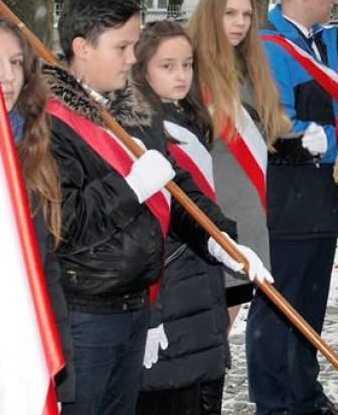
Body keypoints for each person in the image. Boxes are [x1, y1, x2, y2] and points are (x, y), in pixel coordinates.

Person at [46, 0, 263, 415]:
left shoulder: (133, 111)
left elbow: (174, 188)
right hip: (85, 313)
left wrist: (216, 236)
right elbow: (66, 221)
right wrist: (129, 188)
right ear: (82, 48)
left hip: (134, 305)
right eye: (122, 47)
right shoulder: (51, 122)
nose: (132, 58)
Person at [246, 0, 338, 415]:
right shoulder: (267, 47)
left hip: (323, 198)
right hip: (286, 201)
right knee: (276, 309)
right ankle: (274, 402)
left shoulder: (328, 41)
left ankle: (304, 392)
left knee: (310, 306)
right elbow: (278, 126)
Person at [127, 21, 241, 415]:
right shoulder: (138, 126)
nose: (181, 75)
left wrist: (221, 236)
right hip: (171, 281)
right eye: (168, 66)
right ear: (141, 69)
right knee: (174, 391)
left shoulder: (191, 117)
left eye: (187, 65)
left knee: (203, 386)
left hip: (199, 275)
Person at [0, 13, 76, 403]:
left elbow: (46, 264)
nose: (7, 76)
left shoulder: (31, 146)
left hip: (30, 342)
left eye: (16, 62)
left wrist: (60, 364)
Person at [188, 0, 289, 326]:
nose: (240, 23)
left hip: (246, 219)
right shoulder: (189, 69)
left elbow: (268, 134)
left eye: (246, 14)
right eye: (230, 13)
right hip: (207, 218)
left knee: (221, 336)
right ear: (210, 14)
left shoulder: (252, 71)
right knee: (202, 338)